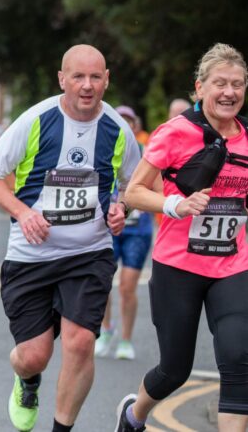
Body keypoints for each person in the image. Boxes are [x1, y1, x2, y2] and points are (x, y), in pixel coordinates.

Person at [0, 45, 140, 432]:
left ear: (106, 80)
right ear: (61, 78)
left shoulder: (117, 129)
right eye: (78, 77)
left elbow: (137, 184)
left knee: (81, 342)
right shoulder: (36, 120)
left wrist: (122, 209)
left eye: (95, 77)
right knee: (34, 356)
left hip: (89, 252)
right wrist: (22, 211)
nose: (87, 86)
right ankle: (27, 380)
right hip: (31, 257)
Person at [115, 43, 248, 432]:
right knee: (174, 369)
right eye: (220, 83)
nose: (229, 92)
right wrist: (176, 205)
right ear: (200, 88)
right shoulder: (175, 133)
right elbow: (134, 192)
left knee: (239, 359)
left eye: (237, 84)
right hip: (178, 265)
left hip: (233, 264)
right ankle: (133, 415)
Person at [94, 105, 154, 361]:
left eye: (130, 121)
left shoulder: (148, 155)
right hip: (108, 227)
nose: (126, 126)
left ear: (136, 126)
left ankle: (126, 340)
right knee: (103, 283)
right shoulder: (103, 151)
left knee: (127, 286)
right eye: (121, 121)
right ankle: (106, 330)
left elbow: (161, 191)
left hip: (137, 230)